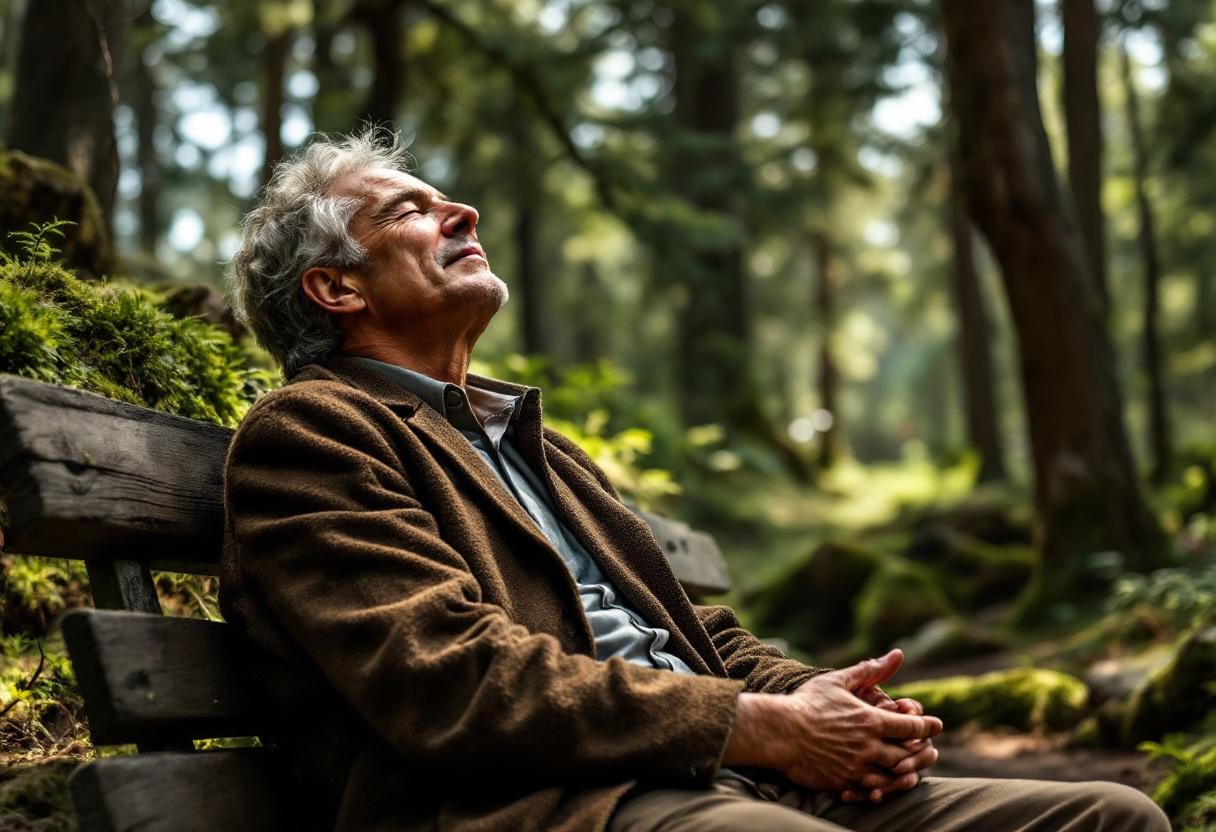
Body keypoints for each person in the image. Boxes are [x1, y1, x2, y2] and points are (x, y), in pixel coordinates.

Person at [221, 130, 1169, 832]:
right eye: (410, 211)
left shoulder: (526, 441)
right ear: (336, 289)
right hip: (550, 803)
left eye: (445, 200)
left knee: (1115, 817)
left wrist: (821, 705)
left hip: (719, 776)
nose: (460, 213)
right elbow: (454, 687)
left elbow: (691, 628)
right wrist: (758, 728)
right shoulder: (313, 433)